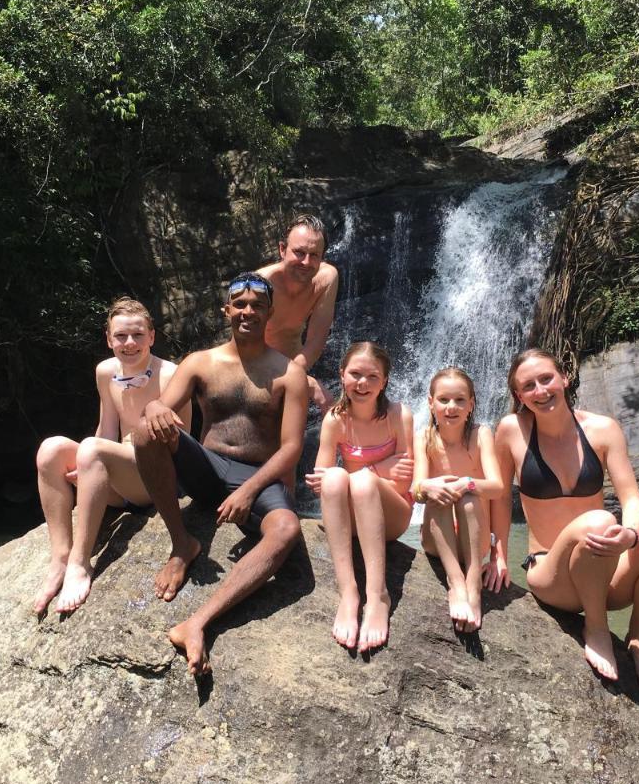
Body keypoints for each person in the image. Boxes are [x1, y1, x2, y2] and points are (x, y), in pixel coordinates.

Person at [133, 271, 310, 676]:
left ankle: (197, 622)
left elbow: (291, 448)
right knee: (144, 431)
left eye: (258, 306)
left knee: (285, 529)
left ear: (270, 313)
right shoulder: (200, 363)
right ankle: (183, 544)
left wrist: (249, 490)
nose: (248, 312)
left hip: (257, 476)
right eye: (241, 304)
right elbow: (160, 410)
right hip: (207, 468)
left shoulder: (288, 373)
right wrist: (154, 408)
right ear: (227, 309)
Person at [488, 348, 639, 690]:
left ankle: (638, 638)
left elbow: (632, 500)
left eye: (546, 379)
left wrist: (630, 535)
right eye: (529, 386)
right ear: (519, 395)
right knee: (598, 521)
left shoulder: (603, 429)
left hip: (605, 570)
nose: (541, 390)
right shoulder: (511, 431)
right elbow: (501, 497)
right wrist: (498, 554)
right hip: (553, 576)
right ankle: (595, 627)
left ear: (564, 378)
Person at [32, 298, 188, 616]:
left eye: (137, 335)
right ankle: (60, 556)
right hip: (118, 475)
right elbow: (106, 429)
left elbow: (182, 447)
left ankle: (80, 563)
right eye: (120, 336)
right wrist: (92, 468)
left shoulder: (172, 375)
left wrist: (97, 455)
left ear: (152, 336)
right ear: (108, 338)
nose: (129, 344)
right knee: (51, 449)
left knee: (91, 449)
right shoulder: (105, 371)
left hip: (156, 481)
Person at [305, 342, 414, 652]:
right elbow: (325, 482)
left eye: (372, 377)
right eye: (355, 374)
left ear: (385, 381)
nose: (362, 384)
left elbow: (406, 475)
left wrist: (367, 473)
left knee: (361, 481)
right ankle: (349, 592)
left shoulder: (398, 415)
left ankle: (378, 594)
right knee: (339, 478)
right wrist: (382, 467)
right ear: (342, 375)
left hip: (392, 515)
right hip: (355, 517)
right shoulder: (335, 419)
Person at [412, 366, 505, 633]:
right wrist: (427, 487)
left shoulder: (481, 434)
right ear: (431, 403)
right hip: (436, 541)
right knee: (438, 494)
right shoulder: (424, 438)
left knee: (468, 496)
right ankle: (456, 582)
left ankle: (473, 582)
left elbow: (498, 487)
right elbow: (415, 491)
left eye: (460, 400)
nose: (451, 407)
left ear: (471, 404)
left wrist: (468, 483)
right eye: (443, 400)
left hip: (474, 541)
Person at [257, 214, 339, 410]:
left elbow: (316, 339)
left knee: (329, 404)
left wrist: (296, 374)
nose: (306, 262)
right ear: (282, 249)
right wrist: (299, 378)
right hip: (255, 367)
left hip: (296, 365)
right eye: (299, 252)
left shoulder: (327, 278)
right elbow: (245, 345)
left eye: (314, 255)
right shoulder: (261, 283)